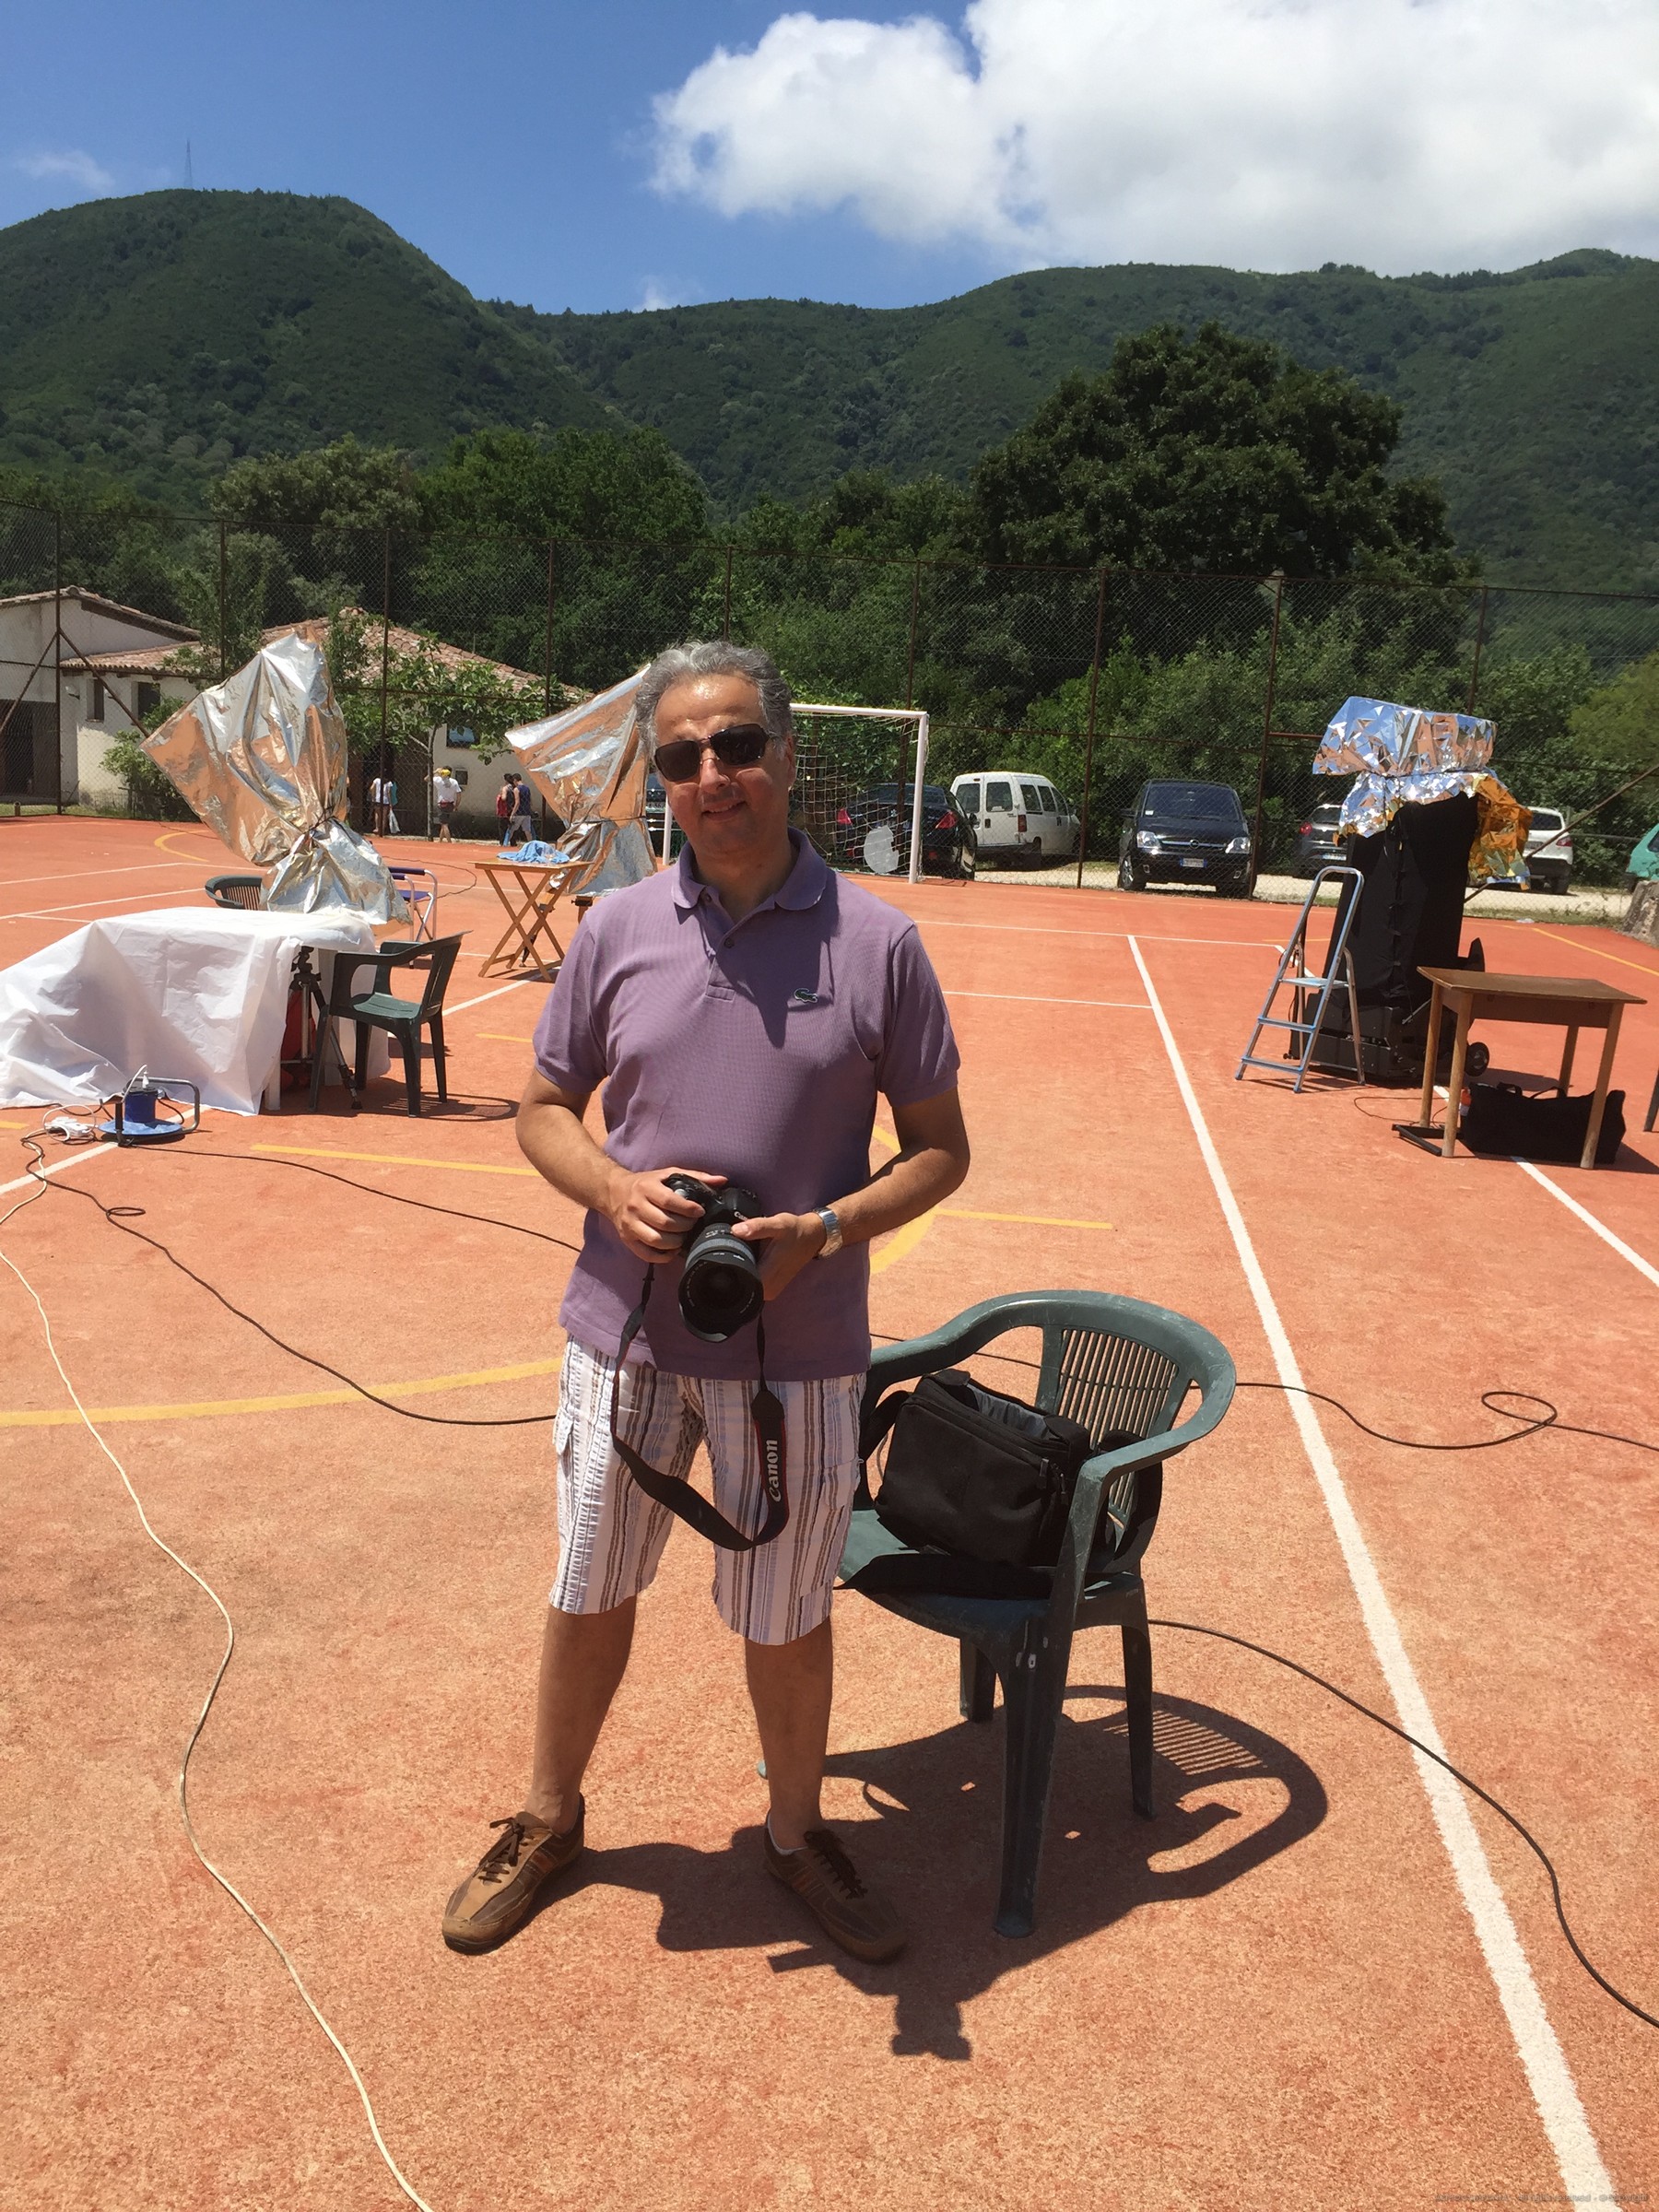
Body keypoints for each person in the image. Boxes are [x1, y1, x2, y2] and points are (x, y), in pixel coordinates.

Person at [443, 641, 970, 1963]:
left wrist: (827, 1230)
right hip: (624, 1334)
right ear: (662, 781)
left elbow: (939, 1150)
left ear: (787, 753)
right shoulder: (616, 929)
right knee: (588, 1585)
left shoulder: (879, 944)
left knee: (787, 1610)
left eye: (736, 745)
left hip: (800, 1351)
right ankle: (549, 1817)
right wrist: (614, 1192)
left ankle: (795, 1833)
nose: (712, 775)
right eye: (681, 757)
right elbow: (543, 1109)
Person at [431, 766, 461, 841]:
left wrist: (435, 771)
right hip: (450, 805)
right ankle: (440, 840)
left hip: (442, 805)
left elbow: (426, 778)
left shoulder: (439, 780)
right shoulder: (454, 781)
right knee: (444, 823)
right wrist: (456, 805)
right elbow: (459, 794)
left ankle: (449, 841)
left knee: (444, 824)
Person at [509, 771, 536, 848]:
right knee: (527, 831)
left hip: (519, 813)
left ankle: (505, 844)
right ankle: (531, 846)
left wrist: (512, 814)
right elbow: (530, 801)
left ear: (515, 780)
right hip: (527, 813)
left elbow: (517, 802)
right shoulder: (527, 788)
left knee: (512, 829)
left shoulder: (516, 789)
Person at [496, 775, 516, 844]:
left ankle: (502, 842)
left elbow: (503, 798)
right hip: (512, 810)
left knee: (502, 828)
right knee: (512, 827)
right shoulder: (514, 788)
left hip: (505, 811)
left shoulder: (505, 788)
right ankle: (513, 842)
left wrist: (501, 794)